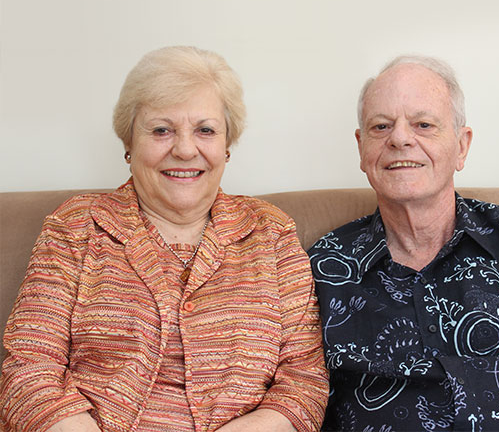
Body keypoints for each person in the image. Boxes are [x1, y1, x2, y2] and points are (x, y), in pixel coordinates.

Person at [0, 46, 328, 432]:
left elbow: (304, 380)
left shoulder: (271, 233)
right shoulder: (76, 227)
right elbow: (28, 368)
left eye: (205, 130)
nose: (185, 149)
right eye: (161, 130)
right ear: (129, 143)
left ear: (226, 146)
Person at [308, 55, 499, 431]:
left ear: (461, 147)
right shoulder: (321, 267)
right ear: (362, 148)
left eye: (423, 124)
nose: (399, 138)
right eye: (381, 126)